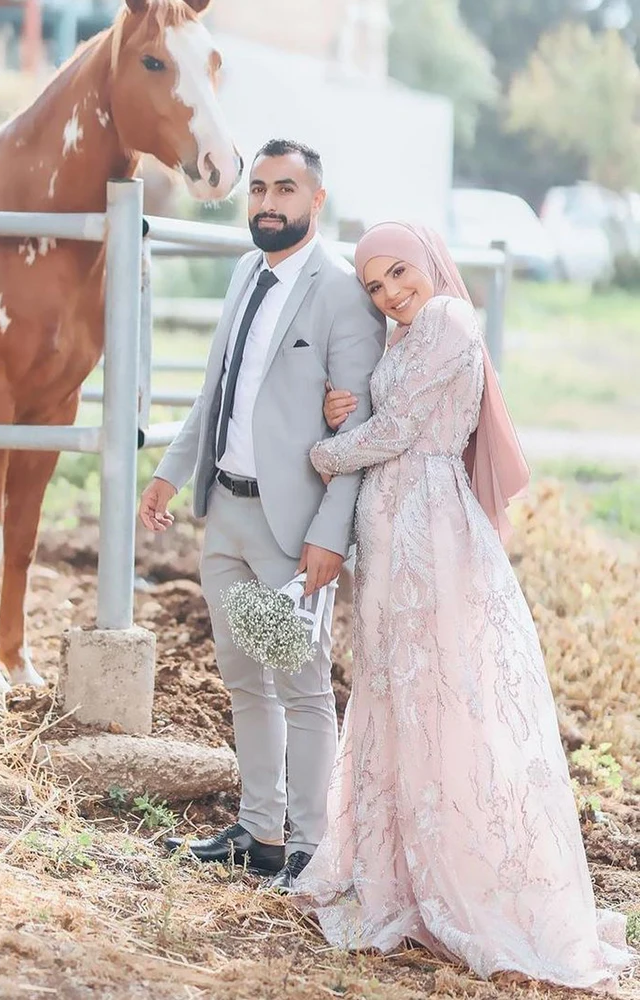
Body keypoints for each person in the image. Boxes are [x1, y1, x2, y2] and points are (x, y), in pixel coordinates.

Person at [291, 220, 635, 991]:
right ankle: (400, 872)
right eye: (374, 285)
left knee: (441, 695)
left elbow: (407, 427)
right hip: (391, 527)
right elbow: (383, 415)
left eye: (399, 272)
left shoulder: (447, 317)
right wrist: (347, 412)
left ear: (429, 260)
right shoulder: (406, 331)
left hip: (429, 528)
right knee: (393, 691)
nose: (390, 293)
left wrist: (323, 451)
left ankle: (458, 875)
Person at [137, 139, 387, 891]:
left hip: (293, 531)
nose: (268, 203)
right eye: (258, 189)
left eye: (285, 189)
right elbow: (216, 391)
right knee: (245, 680)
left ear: (316, 201)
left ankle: (311, 850)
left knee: (302, 686)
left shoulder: (341, 293)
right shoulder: (247, 271)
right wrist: (169, 474)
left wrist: (328, 535)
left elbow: (356, 431)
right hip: (229, 516)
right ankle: (261, 832)